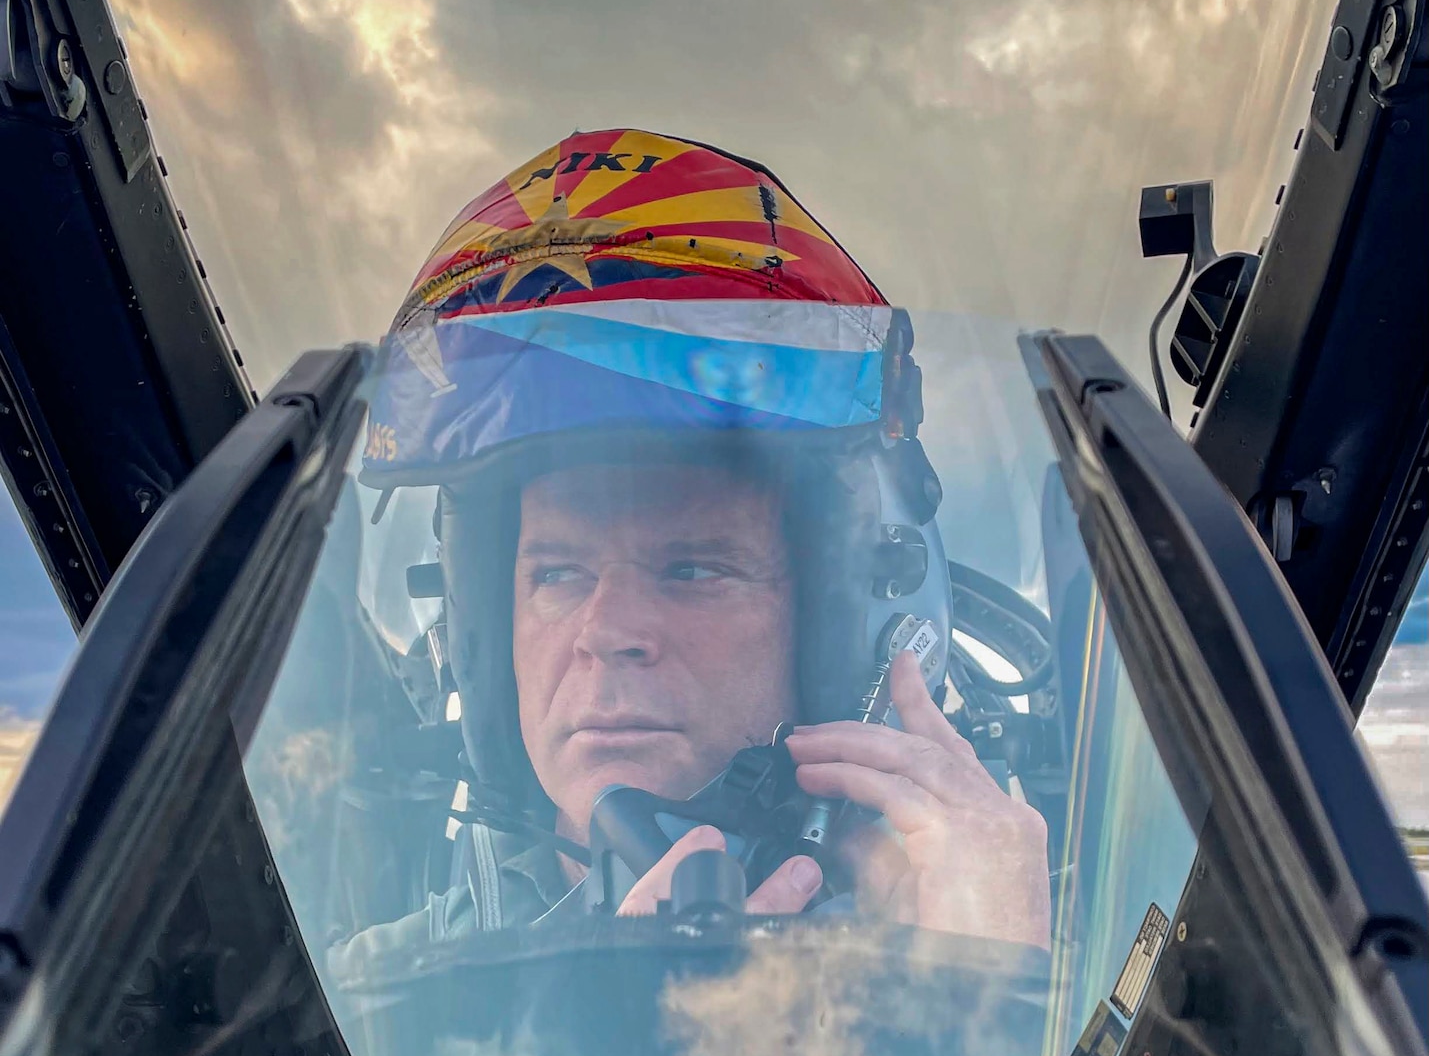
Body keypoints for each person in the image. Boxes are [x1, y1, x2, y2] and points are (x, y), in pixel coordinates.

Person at [338, 128, 1049, 983]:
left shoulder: (1045, 949)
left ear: (845, 622)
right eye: (557, 575)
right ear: (481, 623)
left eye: (692, 569)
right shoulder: (371, 1008)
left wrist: (995, 991)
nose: (606, 632)